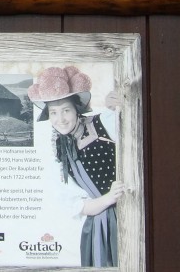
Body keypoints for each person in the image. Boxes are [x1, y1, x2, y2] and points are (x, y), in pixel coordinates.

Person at [28, 66, 125, 267]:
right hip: (98, 227)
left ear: (76, 110)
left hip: (127, 213)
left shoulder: (102, 123)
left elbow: (123, 117)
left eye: (66, 110)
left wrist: (114, 104)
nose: (60, 119)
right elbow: (79, 206)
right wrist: (109, 197)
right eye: (53, 113)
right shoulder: (57, 152)